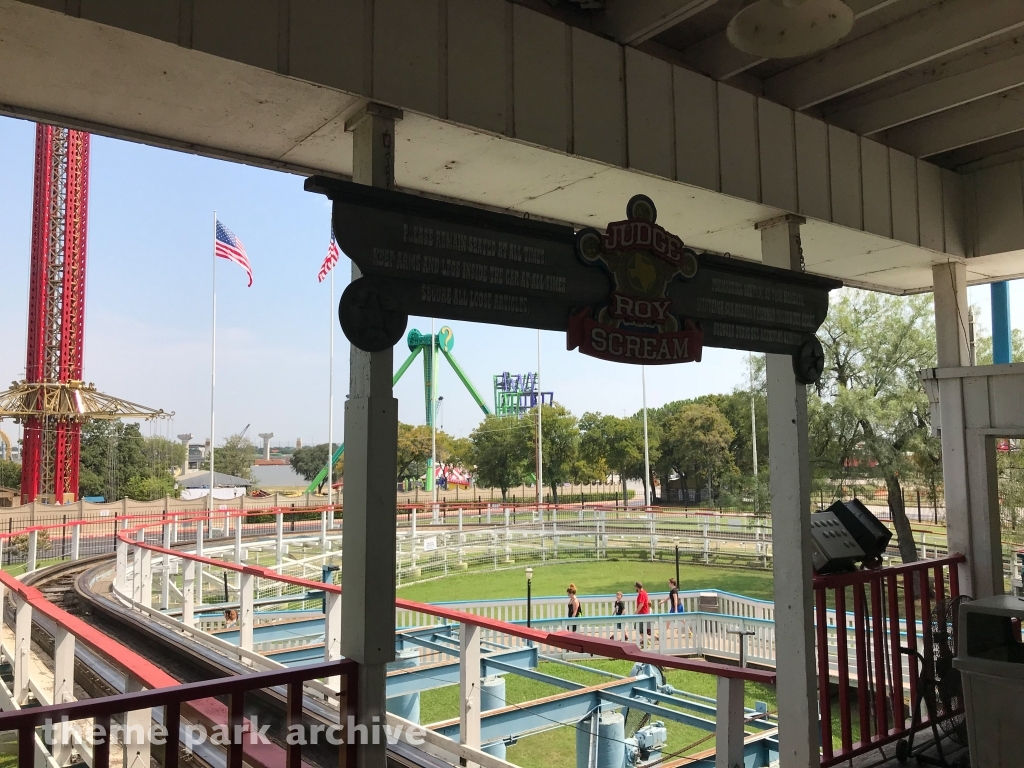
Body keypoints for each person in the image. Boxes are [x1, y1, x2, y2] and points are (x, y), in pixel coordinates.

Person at [635, 581, 651, 647]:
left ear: (637, 587)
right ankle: (645, 642)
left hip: (642, 614)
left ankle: (646, 642)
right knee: (641, 629)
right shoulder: (645, 593)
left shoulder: (641, 594)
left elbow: (641, 604)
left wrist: (636, 612)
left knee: (639, 628)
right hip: (644, 613)